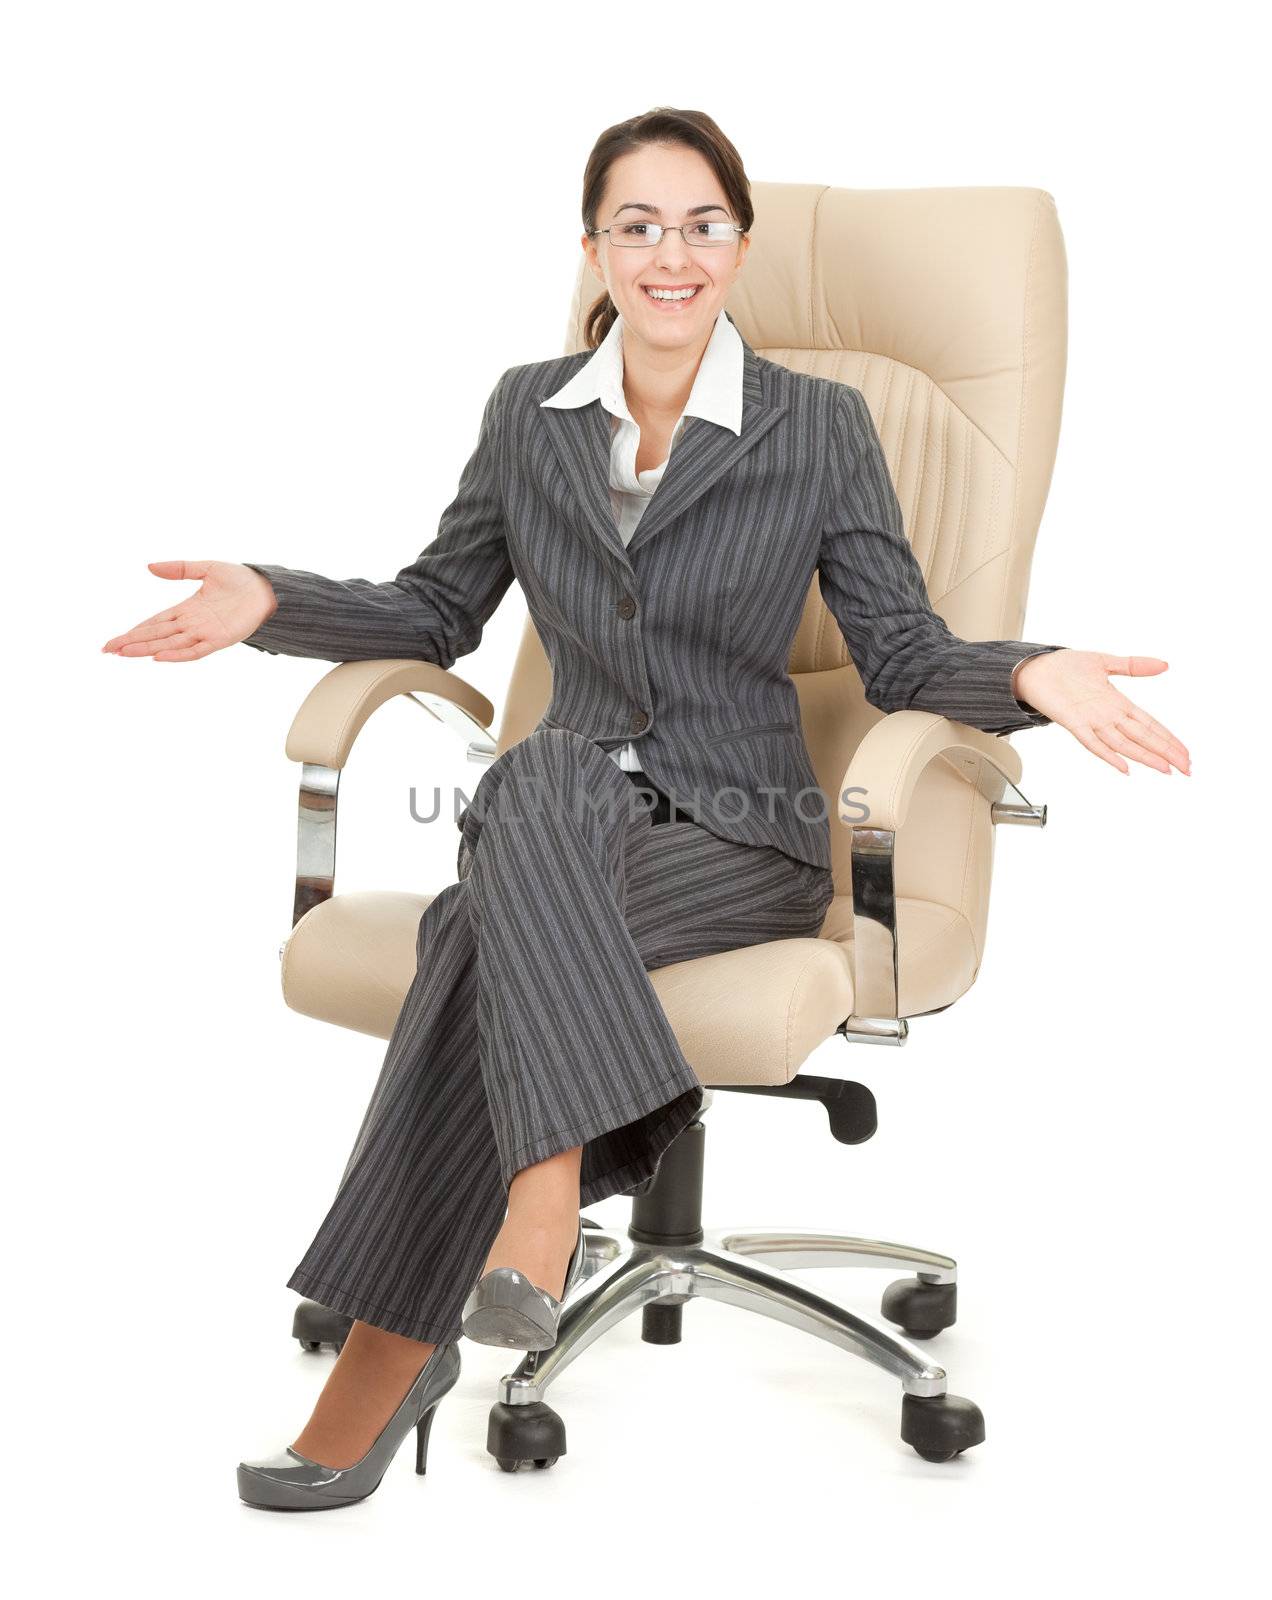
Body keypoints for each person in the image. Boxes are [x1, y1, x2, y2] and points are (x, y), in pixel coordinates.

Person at [102, 108, 1190, 1511]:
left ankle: (409, 1335)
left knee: (479, 913)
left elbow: (906, 656)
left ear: (737, 246)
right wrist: (273, 601)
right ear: (592, 248)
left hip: (742, 835)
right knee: (547, 775)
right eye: (637, 225)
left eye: (701, 224)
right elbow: (439, 608)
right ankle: (519, 1227)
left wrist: (1031, 669)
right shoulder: (527, 413)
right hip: (567, 820)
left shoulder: (821, 427)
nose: (669, 254)